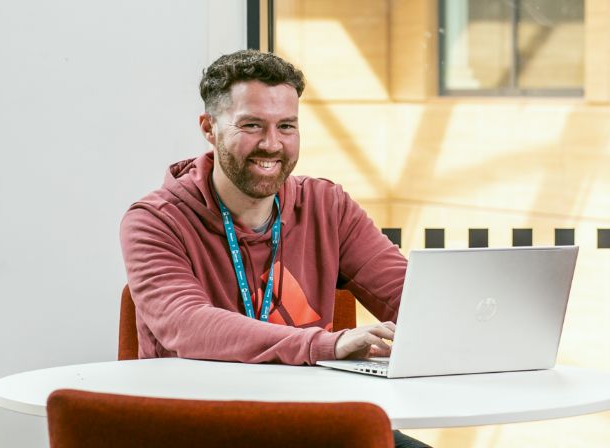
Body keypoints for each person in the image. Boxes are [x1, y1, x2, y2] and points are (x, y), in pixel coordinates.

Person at [120, 49, 429, 448]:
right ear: (209, 128)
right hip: (199, 428)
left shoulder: (327, 207)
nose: (272, 144)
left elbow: (410, 297)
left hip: (312, 421)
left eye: (286, 126)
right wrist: (326, 345)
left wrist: (482, 327)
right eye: (251, 125)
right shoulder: (155, 220)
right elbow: (187, 325)